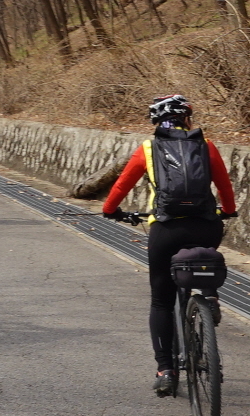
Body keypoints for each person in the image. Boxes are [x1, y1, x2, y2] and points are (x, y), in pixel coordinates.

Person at [101, 94, 238, 397]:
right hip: (206, 225)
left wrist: (111, 211)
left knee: (161, 300)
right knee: (204, 258)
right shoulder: (206, 145)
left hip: (166, 229)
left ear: (156, 121)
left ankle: (165, 369)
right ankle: (209, 297)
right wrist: (228, 210)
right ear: (187, 119)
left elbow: (121, 185)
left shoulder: (148, 148)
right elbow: (224, 186)